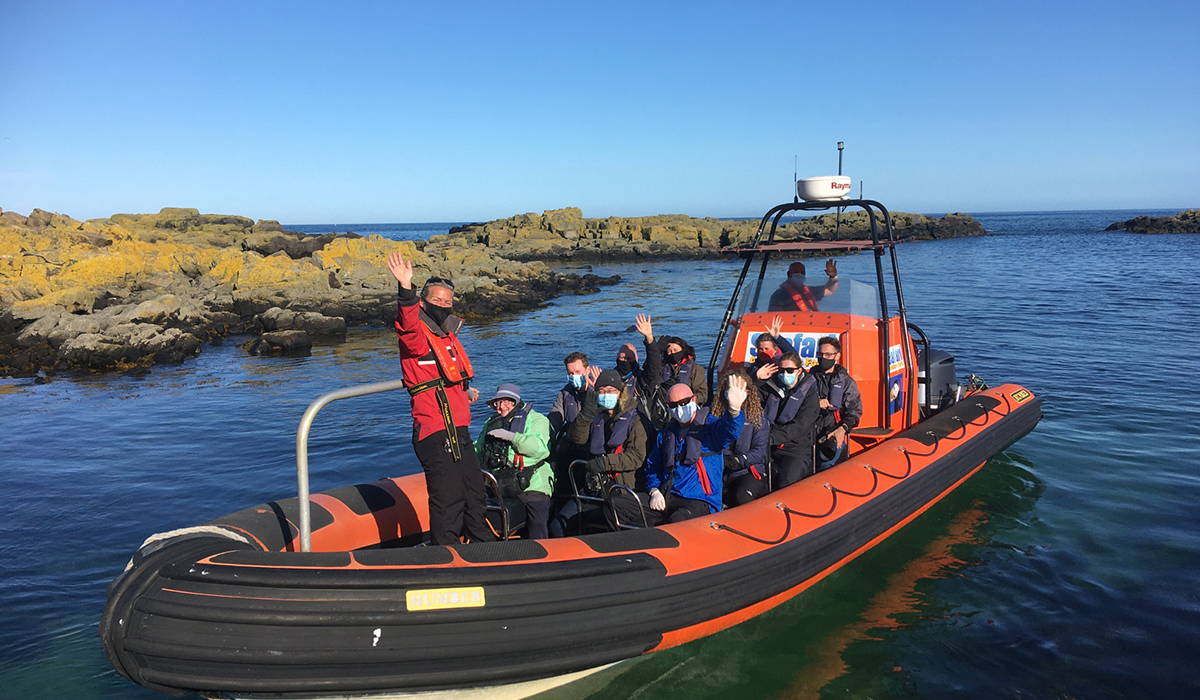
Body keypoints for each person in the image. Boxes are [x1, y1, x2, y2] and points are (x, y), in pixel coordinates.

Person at [386, 252, 491, 545]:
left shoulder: (446, 336)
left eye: (448, 302)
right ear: (423, 302)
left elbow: (448, 374)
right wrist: (405, 287)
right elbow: (407, 326)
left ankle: (484, 547)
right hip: (434, 429)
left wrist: (465, 390)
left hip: (458, 428)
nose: (444, 306)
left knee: (474, 490)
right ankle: (445, 552)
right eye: (438, 300)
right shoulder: (416, 333)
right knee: (448, 498)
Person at [550, 369, 648, 535]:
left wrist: (604, 463)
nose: (605, 395)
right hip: (593, 486)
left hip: (621, 487)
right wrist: (587, 411)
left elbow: (636, 457)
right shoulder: (597, 415)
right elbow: (577, 438)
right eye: (601, 391)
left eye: (610, 391)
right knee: (558, 524)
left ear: (620, 392)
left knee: (604, 521)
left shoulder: (636, 419)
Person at [644, 377, 747, 522]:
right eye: (673, 405)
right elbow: (652, 467)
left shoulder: (709, 427)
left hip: (700, 499)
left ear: (694, 399)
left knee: (678, 519)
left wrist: (734, 412)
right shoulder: (666, 434)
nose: (679, 408)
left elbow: (730, 431)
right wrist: (654, 490)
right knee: (620, 505)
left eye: (684, 402)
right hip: (667, 495)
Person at [475, 383, 554, 539]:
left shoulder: (537, 420)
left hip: (532, 482)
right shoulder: (490, 423)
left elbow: (539, 449)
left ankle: (541, 552)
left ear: (515, 402)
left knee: (537, 520)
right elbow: (478, 449)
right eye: (497, 403)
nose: (501, 407)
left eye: (506, 402)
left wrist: (512, 437)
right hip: (499, 482)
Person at [710, 367, 771, 507]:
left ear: (748, 392)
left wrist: (738, 460)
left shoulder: (758, 418)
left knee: (741, 497)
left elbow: (760, 452)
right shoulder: (714, 415)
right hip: (720, 470)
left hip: (747, 470)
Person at [758, 351, 819, 488]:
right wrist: (757, 379)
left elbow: (800, 425)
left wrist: (771, 437)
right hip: (767, 446)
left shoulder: (809, 393)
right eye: (781, 370)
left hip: (795, 448)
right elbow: (748, 400)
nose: (785, 374)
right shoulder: (770, 387)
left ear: (799, 371)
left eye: (790, 370)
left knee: (787, 482)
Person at [811, 336, 863, 471]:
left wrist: (842, 429)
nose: (823, 358)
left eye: (828, 355)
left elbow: (854, 412)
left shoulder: (846, 382)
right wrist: (815, 404)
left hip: (831, 431)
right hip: (807, 430)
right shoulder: (808, 379)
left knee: (828, 461)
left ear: (837, 356)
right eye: (820, 354)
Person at [633, 313, 708, 405]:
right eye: (669, 351)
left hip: (687, 405)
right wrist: (651, 340)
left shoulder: (696, 369)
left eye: (675, 350)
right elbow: (650, 368)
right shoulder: (662, 367)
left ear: (683, 350)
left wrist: (693, 399)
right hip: (664, 405)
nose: (672, 353)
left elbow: (703, 393)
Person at [767, 259, 840, 311]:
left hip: (813, 325)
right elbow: (774, 317)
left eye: (802, 272)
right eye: (796, 271)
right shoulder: (779, 295)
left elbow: (830, 290)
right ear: (789, 274)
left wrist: (833, 276)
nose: (799, 274)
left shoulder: (809, 291)